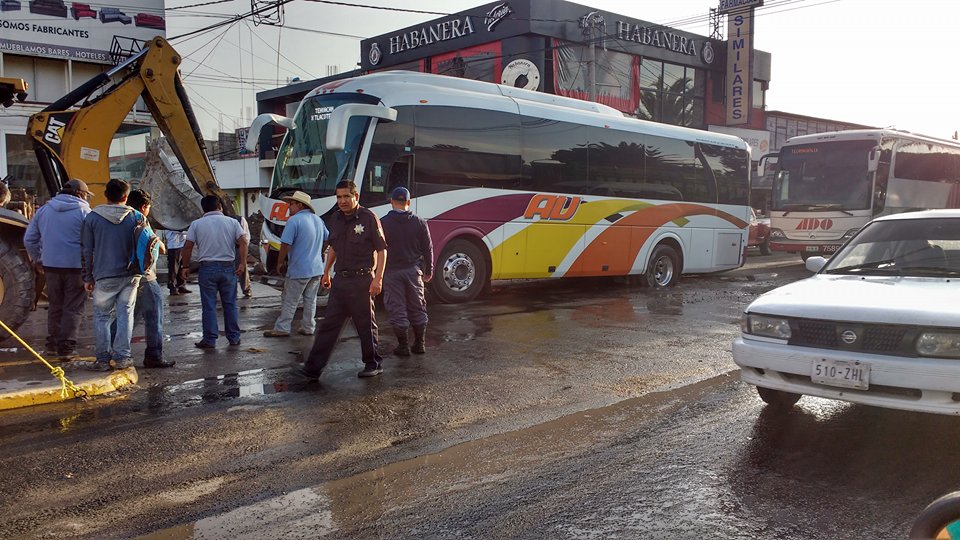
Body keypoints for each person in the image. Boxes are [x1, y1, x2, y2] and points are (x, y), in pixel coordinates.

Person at [298, 180, 387, 380]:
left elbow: (382, 250)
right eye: (339, 197)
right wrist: (326, 271)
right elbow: (334, 248)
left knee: (365, 325)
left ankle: (373, 363)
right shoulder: (336, 218)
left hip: (362, 280)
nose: (342, 201)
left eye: (347, 196)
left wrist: (378, 279)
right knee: (329, 325)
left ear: (356, 197)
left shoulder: (368, 218)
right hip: (341, 281)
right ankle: (313, 368)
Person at [23, 179, 91, 359]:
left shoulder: (44, 210)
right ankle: (66, 347)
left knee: (55, 305)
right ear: (81, 194)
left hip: (50, 266)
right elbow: (92, 243)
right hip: (76, 267)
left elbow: (29, 239)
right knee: (73, 307)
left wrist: (38, 258)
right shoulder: (85, 212)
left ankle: (52, 344)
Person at [81, 178, 141, 371]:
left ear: (106, 195)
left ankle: (103, 360)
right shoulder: (137, 217)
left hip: (104, 275)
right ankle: (123, 358)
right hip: (131, 275)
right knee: (125, 314)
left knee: (102, 317)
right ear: (125, 197)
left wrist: (87, 277)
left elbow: (87, 250)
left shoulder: (92, 218)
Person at [180, 196, 249, 349]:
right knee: (230, 304)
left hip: (207, 268)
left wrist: (185, 266)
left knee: (209, 305)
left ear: (203, 209)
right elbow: (243, 241)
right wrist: (243, 263)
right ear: (220, 206)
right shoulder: (232, 222)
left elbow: (188, 246)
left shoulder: (196, 224)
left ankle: (210, 339)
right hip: (228, 267)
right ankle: (234, 338)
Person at [264, 191, 328, 338]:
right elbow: (327, 239)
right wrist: (321, 253)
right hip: (316, 268)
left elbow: (285, 244)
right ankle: (308, 327)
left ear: (299, 205)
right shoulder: (318, 220)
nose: (288, 208)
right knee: (310, 300)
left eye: (291, 204)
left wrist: (280, 263)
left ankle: (282, 328)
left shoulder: (294, 221)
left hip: (299, 268)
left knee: (290, 299)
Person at [380, 187, 434, 356]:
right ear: (409, 203)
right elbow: (428, 248)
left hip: (391, 272)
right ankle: (419, 344)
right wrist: (429, 270)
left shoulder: (383, 223)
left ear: (391, 202)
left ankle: (403, 346)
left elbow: (377, 249)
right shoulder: (419, 222)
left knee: (397, 309)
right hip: (414, 271)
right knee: (417, 307)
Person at [125, 190, 174, 368]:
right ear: (144, 206)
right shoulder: (140, 221)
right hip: (146, 278)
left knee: (127, 317)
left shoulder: (119, 218)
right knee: (154, 318)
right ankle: (154, 355)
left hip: (124, 277)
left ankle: (112, 350)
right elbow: (157, 247)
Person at [165, 229, 190, 295]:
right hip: (174, 245)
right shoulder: (170, 221)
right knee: (173, 268)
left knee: (182, 266)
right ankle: (172, 286)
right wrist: (187, 231)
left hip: (182, 244)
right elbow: (177, 229)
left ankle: (181, 285)